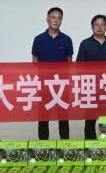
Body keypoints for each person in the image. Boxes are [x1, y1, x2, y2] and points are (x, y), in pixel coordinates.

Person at [31, 7, 74, 140]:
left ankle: (65, 145)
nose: (56, 20)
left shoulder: (66, 39)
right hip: (44, 85)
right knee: (43, 117)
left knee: (63, 117)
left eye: (59, 18)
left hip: (61, 85)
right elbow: (35, 60)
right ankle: (44, 145)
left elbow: (69, 61)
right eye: (53, 17)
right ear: (47, 19)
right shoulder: (39, 39)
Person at [76, 14, 106, 139]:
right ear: (92, 27)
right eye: (97, 24)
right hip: (91, 87)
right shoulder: (85, 44)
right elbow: (79, 66)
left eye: (102, 25)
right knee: (90, 118)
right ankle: (90, 144)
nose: (99, 27)